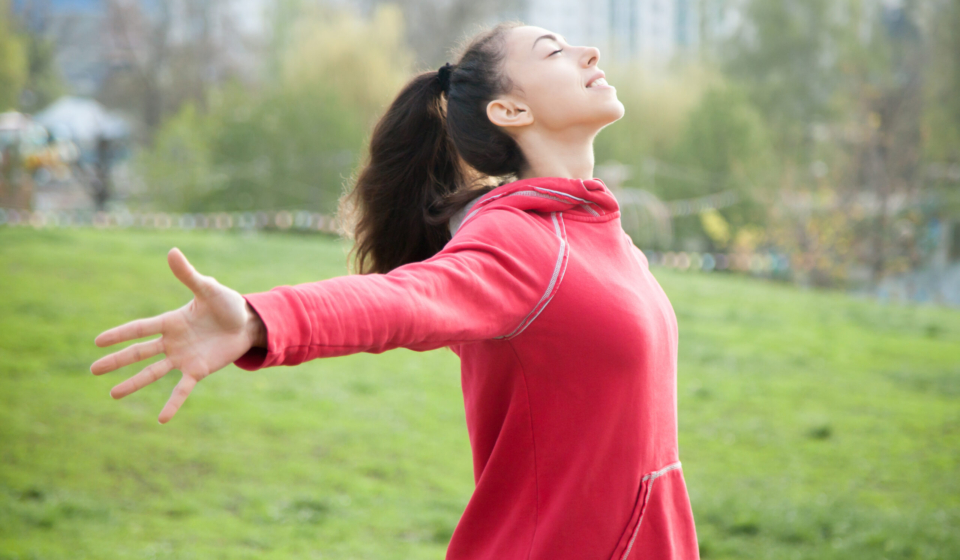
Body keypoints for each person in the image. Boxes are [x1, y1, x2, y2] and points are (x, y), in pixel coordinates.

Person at [90, 21, 700, 560]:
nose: (589, 53)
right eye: (554, 52)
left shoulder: (601, 236)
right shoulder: (522, 240)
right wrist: (258, 320)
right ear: (511, 111)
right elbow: (402, 299)